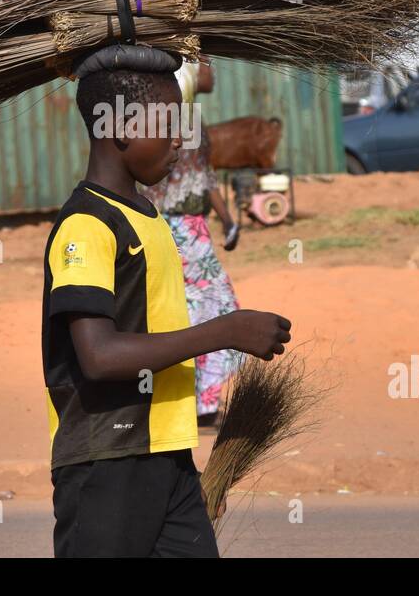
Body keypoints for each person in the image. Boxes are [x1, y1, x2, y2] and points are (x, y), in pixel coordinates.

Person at [43, 45, 291, 558]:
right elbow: (99, 355)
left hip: (166, 454)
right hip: (107, 459)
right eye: (168, 124)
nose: (182, 138)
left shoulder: (147, 217)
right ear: (122, 129)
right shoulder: (86, 226)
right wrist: (224, 331)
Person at [143, 58, 244, 427]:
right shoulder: (178, 119)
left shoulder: (181, 117)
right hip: (181, 230)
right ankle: (201, 406)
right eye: (208, 65)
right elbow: (187, 179)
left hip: (187, 226)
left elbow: (203, 178)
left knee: (193, 312)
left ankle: (196, 402)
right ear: (191, 71)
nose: (213, 72)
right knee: (205, 313)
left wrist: (228, 219)